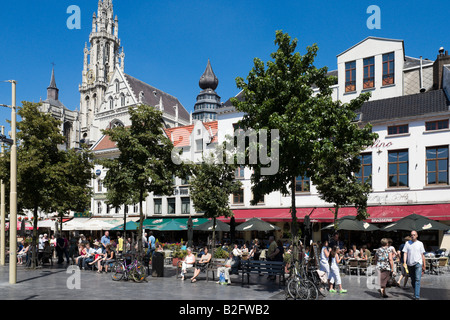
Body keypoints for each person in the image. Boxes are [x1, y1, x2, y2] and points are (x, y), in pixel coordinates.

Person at [402, 230, 426, 300]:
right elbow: (405, 253)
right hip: (410, 263)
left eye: (414, 235)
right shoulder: (407, 243)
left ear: (417, 235)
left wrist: (424, 265)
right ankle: (416, 291)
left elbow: (422, 254)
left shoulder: (420, 243)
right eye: (411, 235)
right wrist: (404, 262)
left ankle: (417, 296)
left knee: (417, 279)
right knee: (413, 280)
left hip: (418, 263)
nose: (413, 236)